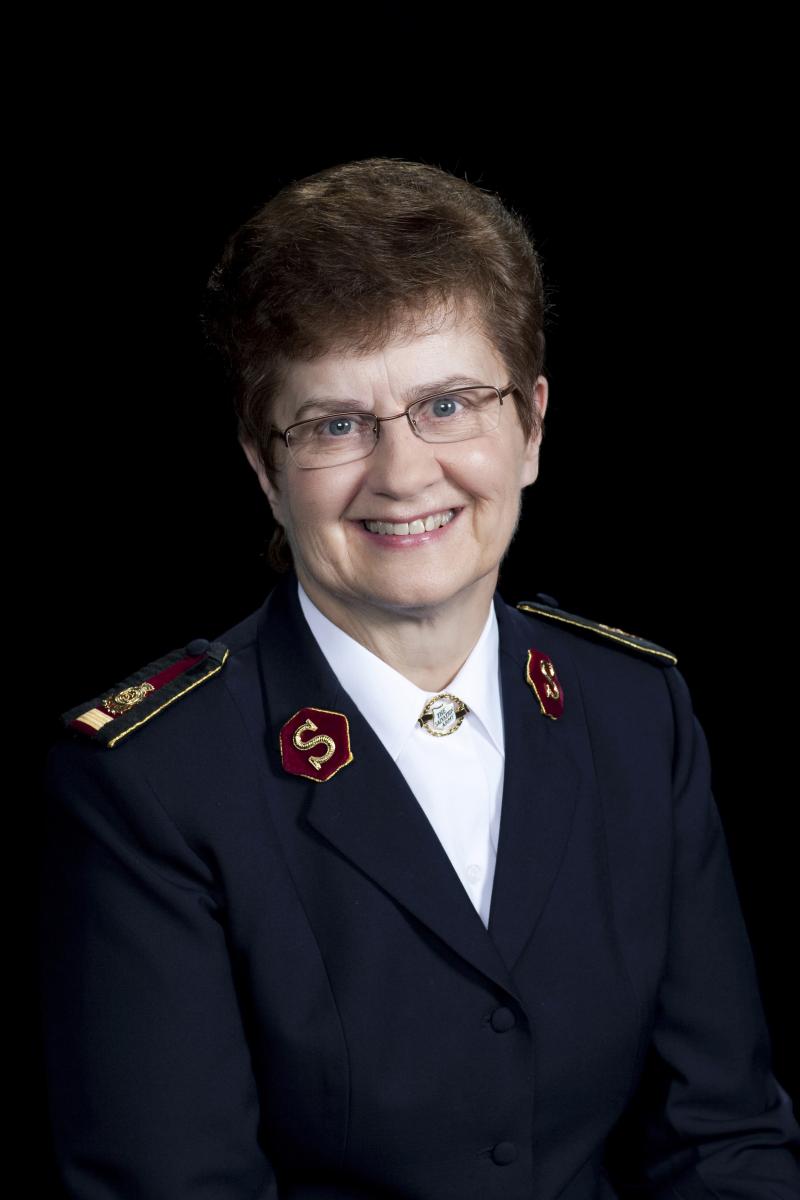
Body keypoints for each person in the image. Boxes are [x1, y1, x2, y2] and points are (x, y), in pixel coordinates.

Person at [39, 157, 800, 1199]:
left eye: (448, 404)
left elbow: (723, 1138)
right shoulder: (154, 781)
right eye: (335, 424)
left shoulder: (634, 711)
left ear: (530, 427)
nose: (402, 474)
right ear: (264, 468)